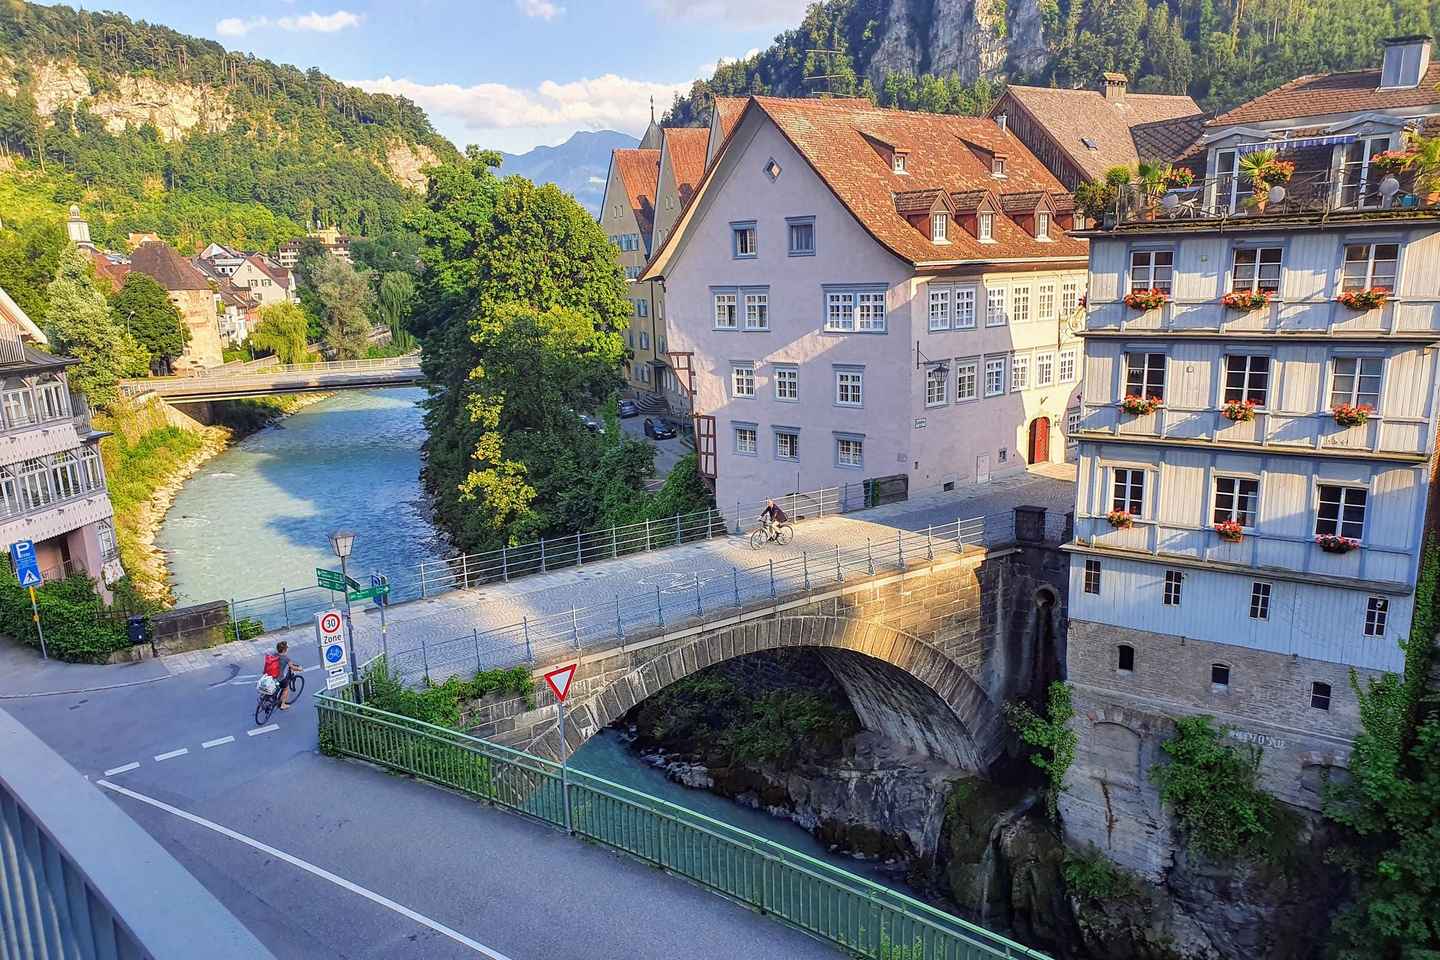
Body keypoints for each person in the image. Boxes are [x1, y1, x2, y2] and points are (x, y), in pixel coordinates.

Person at [264, 640, 301, 710]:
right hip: (279, 678)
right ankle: (283, 705)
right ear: (284, 650)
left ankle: (267, 698)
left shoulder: (274, 654)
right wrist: (299, 669)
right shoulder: (286, 658)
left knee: (274, 688)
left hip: (270, 676)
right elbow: (293, 667)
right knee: (286, 689)